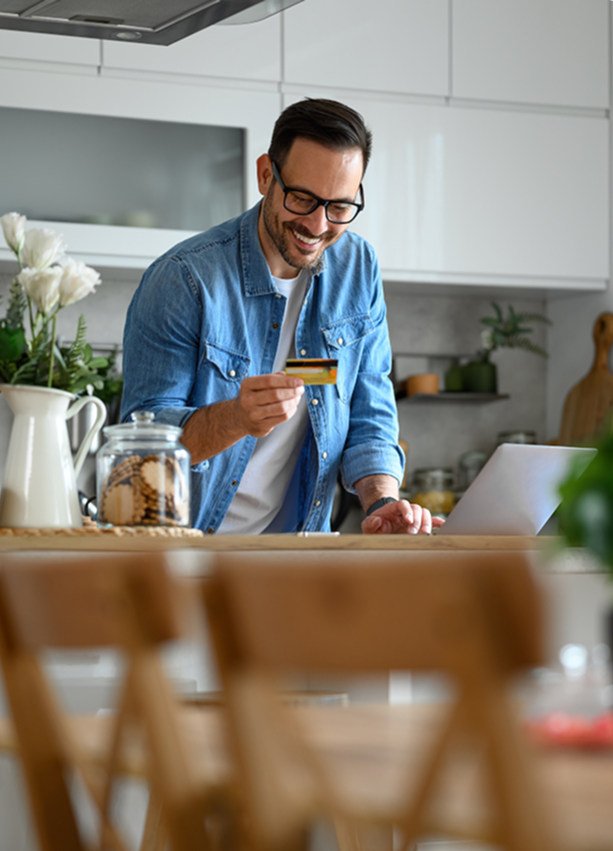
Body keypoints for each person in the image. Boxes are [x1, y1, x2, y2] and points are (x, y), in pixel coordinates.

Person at [121, 98, 442, 535]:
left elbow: (371, 412)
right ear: (266, 175)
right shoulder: (185, 279)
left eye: (340, 207)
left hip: (297, 552)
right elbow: (142, 449)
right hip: (188, 550)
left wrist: (381, 500)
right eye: (303, 198)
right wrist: (237, 417)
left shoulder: (358, 269)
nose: (317, 225)